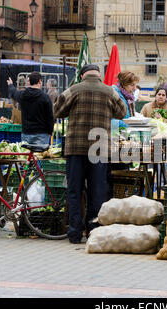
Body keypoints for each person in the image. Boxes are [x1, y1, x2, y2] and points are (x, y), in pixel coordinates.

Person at [53, 64, 127, 244]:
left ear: (82, 75)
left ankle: (74, 233)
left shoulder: (73, 90)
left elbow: (57, 111)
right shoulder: (110, 92)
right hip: (99, 150)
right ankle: (94, 231)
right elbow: (122, 112)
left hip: (75, 148)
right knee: (97, 191)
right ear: (99, 75)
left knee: (74, 191)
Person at [7, 72, 54, 145]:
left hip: (26, 133)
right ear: (40, 81)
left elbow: (14, 93)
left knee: (26, 155)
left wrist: (10, 85)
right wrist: (50, 131)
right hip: (41, 134)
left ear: (29, 82)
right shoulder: (45, 97)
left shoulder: (23, 95)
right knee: (39, 156)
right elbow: (50, 117)